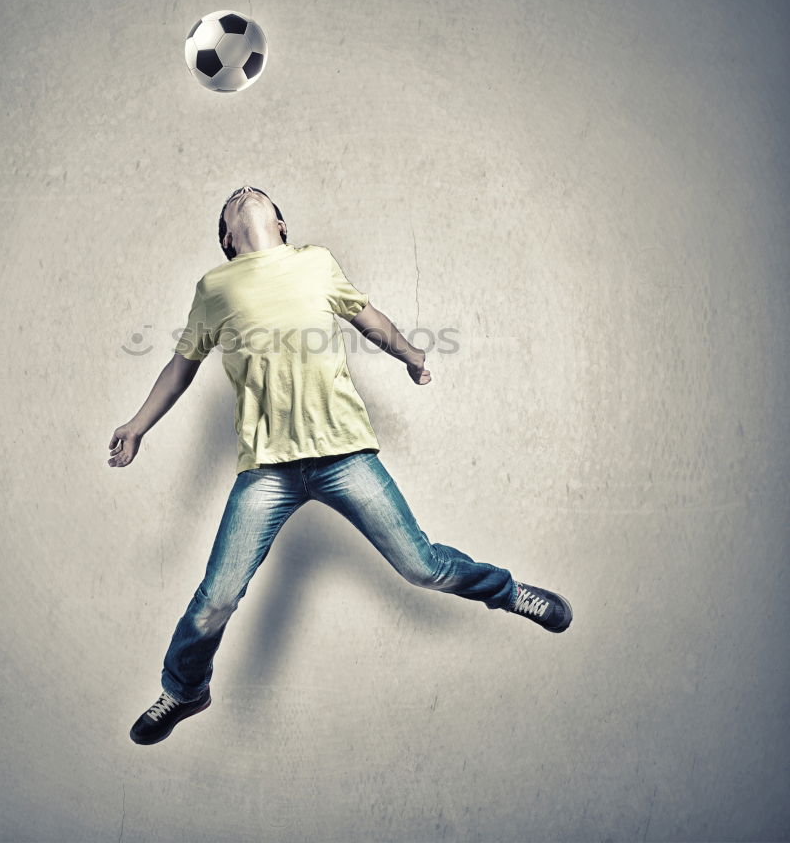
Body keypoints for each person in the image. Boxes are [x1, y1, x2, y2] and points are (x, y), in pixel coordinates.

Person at [109, 186, 572, 746]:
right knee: (216, 599)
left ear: (281, 225)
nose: (245, 196)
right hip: (267, 470)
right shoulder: (215, 287)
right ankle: (184, 690)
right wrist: (137, 425)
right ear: (229, 240)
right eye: (233, 204)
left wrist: (410, 356)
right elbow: (181, 366)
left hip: (343, 454)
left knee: (421, 566)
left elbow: (367, 318)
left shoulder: (315, 261)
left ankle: (508, 591)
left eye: (258, 198)